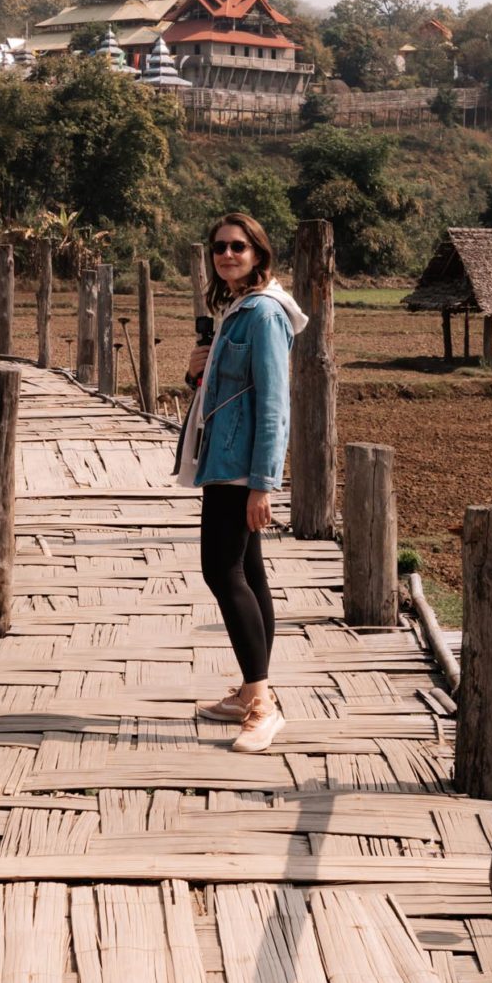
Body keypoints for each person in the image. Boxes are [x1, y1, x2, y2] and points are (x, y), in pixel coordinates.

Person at [175, 213, 307, 753]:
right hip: (222, 457)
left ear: (259, 253)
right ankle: (254, 688)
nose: (227, 255)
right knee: (247, 571)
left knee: (221, 571)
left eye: (238, 247)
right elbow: (220, 390)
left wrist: (263, 485)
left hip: (239, 467)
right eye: (219, 247)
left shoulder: (265, 315)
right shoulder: (234, 309)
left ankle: (261, 705)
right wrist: (193, 371)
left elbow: (275, 404)